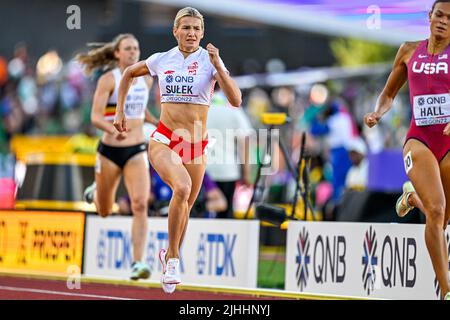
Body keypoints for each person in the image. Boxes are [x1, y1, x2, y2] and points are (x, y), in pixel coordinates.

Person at [113, 7, 242, 293]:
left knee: (185, 207)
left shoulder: (210, 63)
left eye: (196, 28)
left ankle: (169, 254)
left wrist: (219, 65)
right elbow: (128, 74)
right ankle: (172, 259)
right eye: (185, 28)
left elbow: (236, 100)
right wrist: (120, 110)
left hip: (195, 144)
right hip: (165, 138)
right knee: (181, 188)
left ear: (203, 33)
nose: (191, 33)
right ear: (175, 31)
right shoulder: (162, 60)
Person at [364, 0, 450, 300]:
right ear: (429, 17)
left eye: (449, 19)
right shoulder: (409, 50)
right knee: (437, 211)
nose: (443, 21)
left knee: (442, 218)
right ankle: (446, 292)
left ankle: (411, 196)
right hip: (420, 140)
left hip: (449, 141)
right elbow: (388, 93)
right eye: (439, 15)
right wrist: (378, 112)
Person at [77, 34, 158, 281]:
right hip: (110, 151)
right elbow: (95, 117)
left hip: (135, 149)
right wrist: (113, 129)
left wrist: (157, 122)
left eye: (136, 48)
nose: (133, 53)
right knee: (103, 210)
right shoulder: (108, 80)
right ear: (117, 54)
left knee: (140, 204)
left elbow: (140, 109)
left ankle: (138, 263)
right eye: (128, 49)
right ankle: (96, 189)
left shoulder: (146, 79)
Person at [206, 90, 253, 219]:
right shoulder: (234, 109)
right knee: (225, 216)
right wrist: (246, 173)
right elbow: (244, 142)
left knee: (200, 211)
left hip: (202, 170)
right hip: (228, 170)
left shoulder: (200, 105)